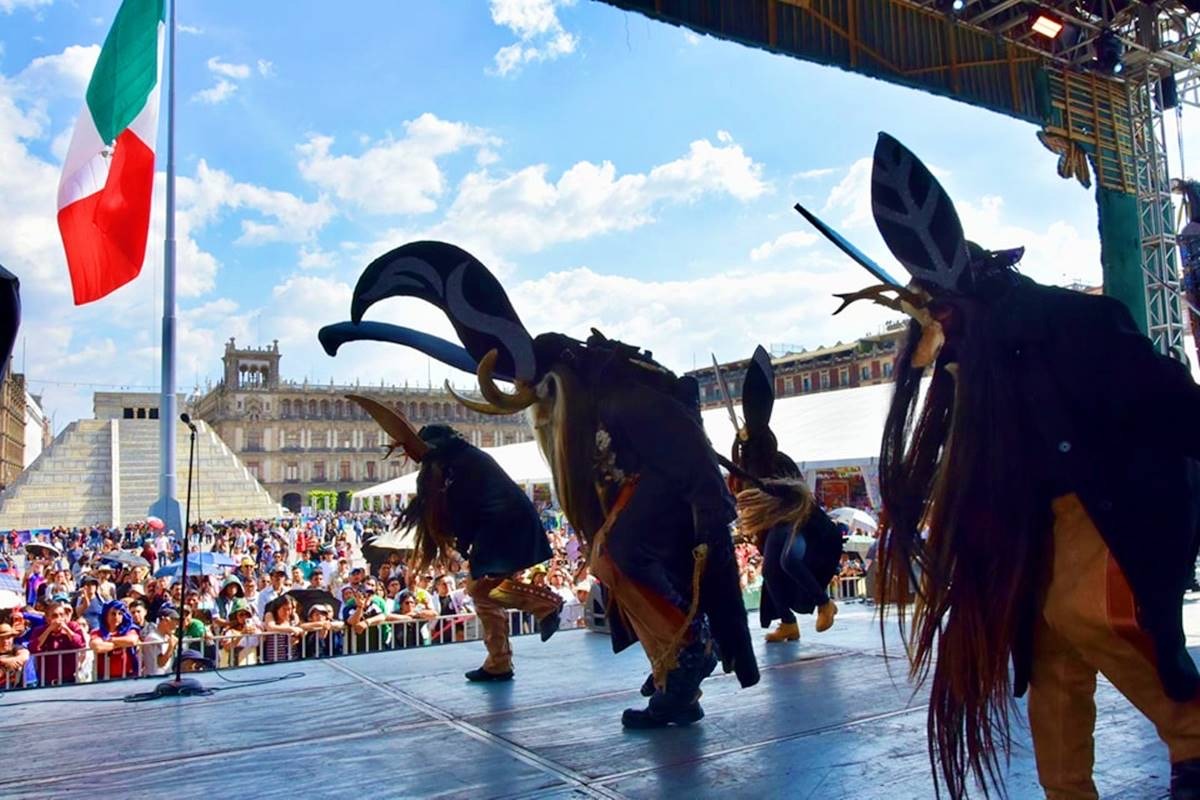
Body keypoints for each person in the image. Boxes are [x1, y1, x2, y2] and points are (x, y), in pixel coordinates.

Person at [799, 132, 1200, 799]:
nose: (937, 358)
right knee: (1048, 659)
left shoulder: (1080, 324)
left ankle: (1194, 740)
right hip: (1038, 528)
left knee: (1084, 612)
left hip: (1113, 508)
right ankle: (1067, 791)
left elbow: (1170, 406)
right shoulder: (975, 373)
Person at [320, 241, 758, 727]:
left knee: (611, 556)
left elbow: (689, 455)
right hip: (639, 497)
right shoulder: (589, 410)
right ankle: (673, 668)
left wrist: (709, 516)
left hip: (663, 496)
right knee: (607, 563)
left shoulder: (621, 399)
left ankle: (687, 651)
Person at [343, 398, 562, 682]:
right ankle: (499, 661)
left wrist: (463, 542)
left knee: (481, 591)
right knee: (483, 595)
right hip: (502, 528)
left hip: (505, 529)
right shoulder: (460, 460)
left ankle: (544, 606)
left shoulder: (456, 466)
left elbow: (463, 507)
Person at [726, 345, 840, 644]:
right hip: (779, 526)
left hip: (801, 523)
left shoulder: (780, 461)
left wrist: (775, 491)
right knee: (772, 571)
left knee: (789, 560)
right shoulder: (747, 470)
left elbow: (799, 496)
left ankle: (824, 603)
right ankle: (788, 623)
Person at [29, 600, 86, 686]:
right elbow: (33, 648)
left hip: (68, 680)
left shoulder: (72, 626)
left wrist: (66, 630)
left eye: (61, 615)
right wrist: (49, 630)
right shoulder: (39, 631)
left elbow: (80, 644)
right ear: (47, 618)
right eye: (54, 616)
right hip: (46, 681)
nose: (59, 619)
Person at [89, 600, 140, 680]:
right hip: (104, 677)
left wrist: (110, 640)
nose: (116, 617)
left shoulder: (129, 630)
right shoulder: (97, 632)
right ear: (106, 615)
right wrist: (121, 643)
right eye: (113, 614)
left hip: (127, 675)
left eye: (120, 614)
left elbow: (132, 641)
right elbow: (97, 646)